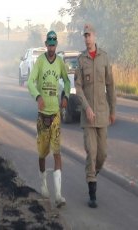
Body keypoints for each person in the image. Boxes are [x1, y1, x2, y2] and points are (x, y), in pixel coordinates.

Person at [74, 23, 116, 208]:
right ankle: (92, 194)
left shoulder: (104, 57)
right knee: (91, 153)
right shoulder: (81, 60)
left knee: (102, 154)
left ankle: (93, 173)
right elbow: (78, 86)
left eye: (89, 35)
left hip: (102, 114)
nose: (87, 38)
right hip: (88, 116)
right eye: (85, 35)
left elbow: (111, 86)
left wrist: (113, 110)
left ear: (95, 36)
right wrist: (87, 107)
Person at [27, 30, 70, 208]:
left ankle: (59, 195)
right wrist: (38, 97)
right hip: (42, 116)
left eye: (54, 44)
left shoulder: (60, 62)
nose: (51, 47)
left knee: (57, 153)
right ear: (46, 44)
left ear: (56, 45)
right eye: (49, 44)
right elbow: (30, 81)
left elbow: (67, 81)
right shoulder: (40, 62)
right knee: (42, 153)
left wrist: (66, 95)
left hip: (56, 115)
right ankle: (43, 183)